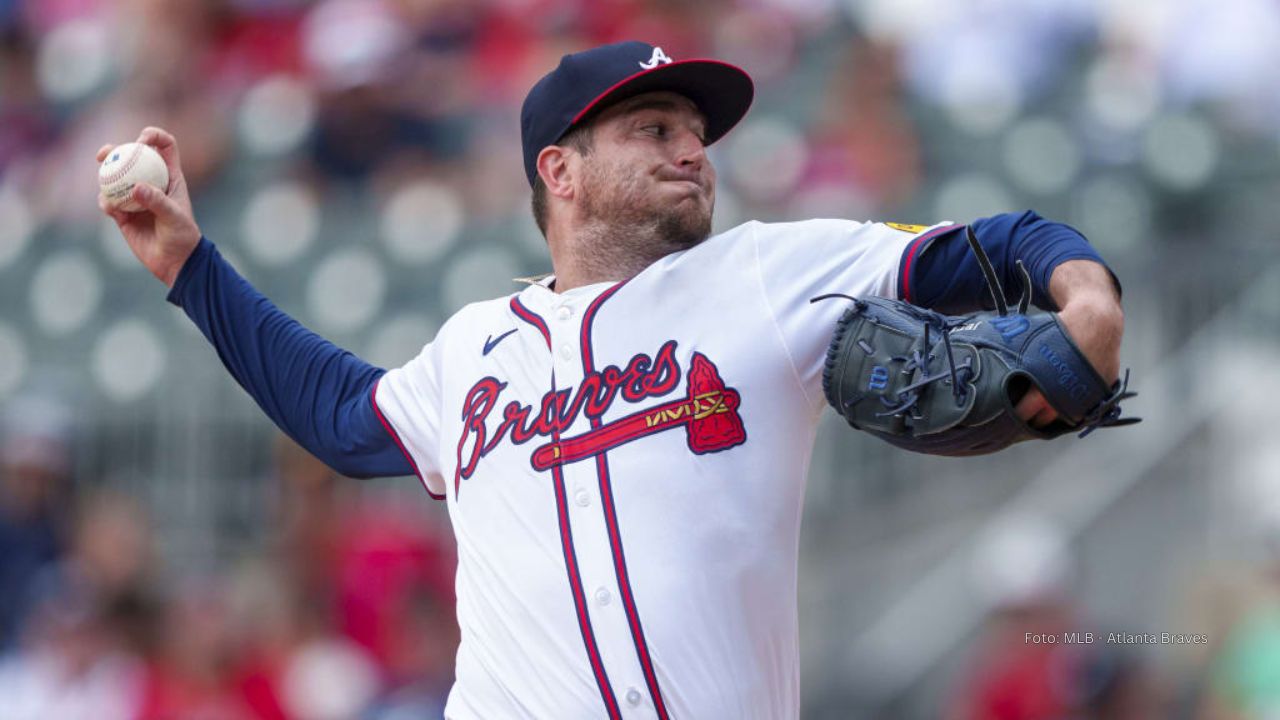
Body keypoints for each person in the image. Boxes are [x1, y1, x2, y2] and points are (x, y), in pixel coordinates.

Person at [97, 41, 1126, 719]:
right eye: (655, 132)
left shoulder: (767, 273)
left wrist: (1085, 301)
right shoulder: (473, 348)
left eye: (695, 134)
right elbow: (336, 413)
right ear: (561, 171)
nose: (693, 153)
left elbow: (1003, 242)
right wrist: (191, 268)